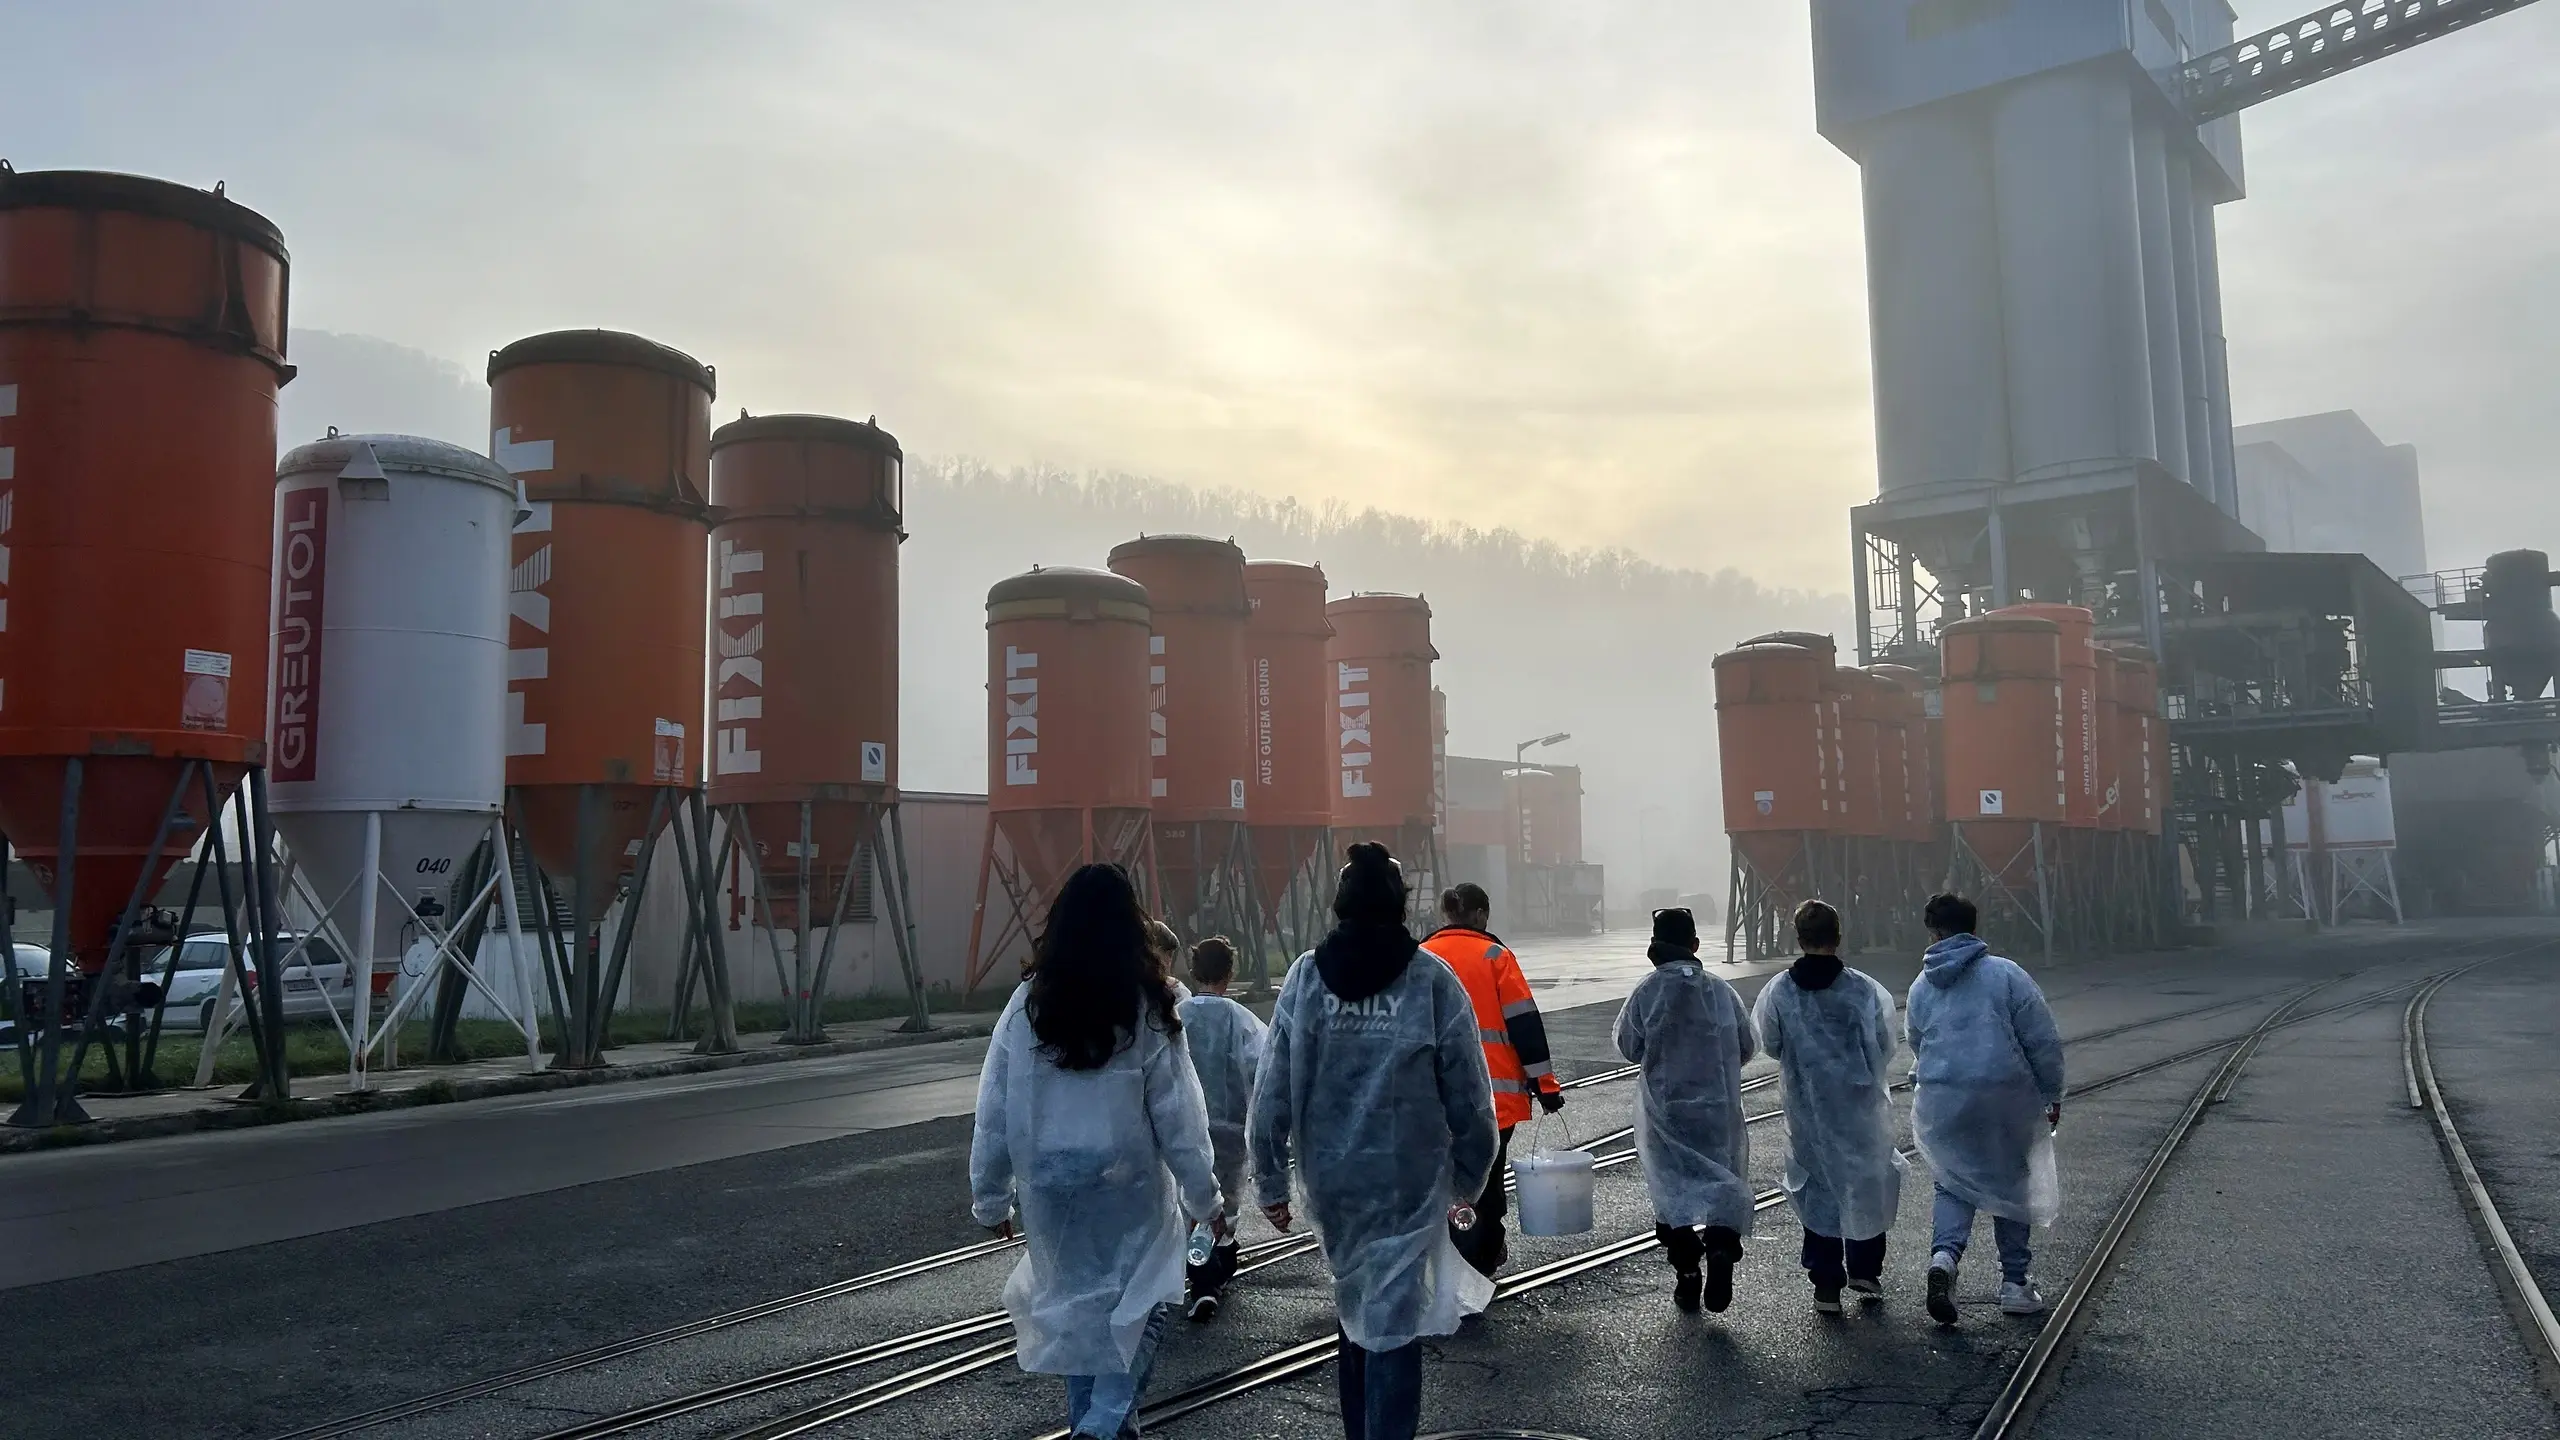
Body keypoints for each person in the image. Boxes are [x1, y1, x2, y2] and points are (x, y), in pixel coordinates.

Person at [1249, 843, 1498, 1440]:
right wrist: (1469, 1177)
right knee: (1392, 1319)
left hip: (1332, 1182)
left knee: (1357, 1299)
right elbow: (1469, 1093)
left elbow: (1273, 1088)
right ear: (1399, 905)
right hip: (1407, 1180)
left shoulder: (1306, 977)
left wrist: (1270, 1180)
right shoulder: (1431, 981)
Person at [969, 864, 1225, 1439]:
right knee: (1150, 1301)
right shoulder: (1147, 1005)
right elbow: (1178, 1114)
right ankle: (1102, 1427)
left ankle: (1097, 1425)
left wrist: (990, 1197)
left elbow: (993, 1107)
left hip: (1050, 1187)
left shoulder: (1026, 1004)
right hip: (1126, 1184)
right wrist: (1205, 1196)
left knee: (1083, 1319)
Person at [1906, 892, 2065, 1327]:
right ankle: (2015, 1284)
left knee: (1951, 1181)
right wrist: (2051, 1093)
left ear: (1933, 933)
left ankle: (1944, 1258)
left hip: (1943, 1097)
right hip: (2004, 1095)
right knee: (2012, 1182)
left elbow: (1918, 1043)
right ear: (1974, 929)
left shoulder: (1922, 986)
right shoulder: (2006, 975)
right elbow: (2041, 1039)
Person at [1752, 899, 1907, 1314]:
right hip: (1859, 1105)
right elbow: (1885, 1042)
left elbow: (1770, 1042)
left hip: (1808, 1106)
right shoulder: (1862, 988)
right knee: (1865, 1181)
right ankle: (1864, 1268)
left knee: (1817, 1187)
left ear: (1798, 938)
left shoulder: (1780, 990)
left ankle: (1826, 1284)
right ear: (1838, 938)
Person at [1613, 906, 1757, 1313]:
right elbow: (1747, 1046)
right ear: (1695, 945)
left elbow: (1627, 1045)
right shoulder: (1721, 991)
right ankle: (1722, 1247)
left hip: (1666, 1111)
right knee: (1722, 1183)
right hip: (1716, 1109)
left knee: (1669, 1190)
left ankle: (1687, 1270)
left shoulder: (1647, 990)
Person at [1419, 882, 1564, 1276]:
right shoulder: (1496, 956)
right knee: (1487, 1179)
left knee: (1437, 1179)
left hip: (1431, 1100)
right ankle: (1481, 1254)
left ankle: (1445, 1252)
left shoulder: (1421, 958)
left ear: (1444, 916)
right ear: (1482, 915)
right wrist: (1545, 1086)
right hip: (1493, 1101)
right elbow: (1524, 1025)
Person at [1176, 934, 1266, 1321]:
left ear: (1193, 971)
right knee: (1224, 1201)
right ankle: (1211, 1272)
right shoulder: (1241, 1019)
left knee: (1193, 1199)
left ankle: (1203, 1272)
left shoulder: (1177, 1016)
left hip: (1183, 1125)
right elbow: (1264, 1068)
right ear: (1230, 972)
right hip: (1230, 1128)